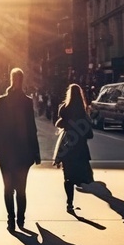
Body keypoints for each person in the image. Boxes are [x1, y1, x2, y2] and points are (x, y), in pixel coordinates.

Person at [0, 68, 42, 231]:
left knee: (7, 187)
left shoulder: (1, 101)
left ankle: (11, 220)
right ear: (22, 80)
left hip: (5, 151)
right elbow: (31, 128)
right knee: (21, 188)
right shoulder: (27, 101)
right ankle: (21, 219)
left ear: (11, 79)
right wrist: (36, 152)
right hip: (23, 152)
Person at [54, 84, 95, 214]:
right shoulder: (84, 112)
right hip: (80, 148)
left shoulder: (64, 109)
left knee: (67, 177)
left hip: (67, 146)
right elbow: (90, 134)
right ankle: (79, 182)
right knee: (78, 173)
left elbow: (60, 122)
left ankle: (69, 202)